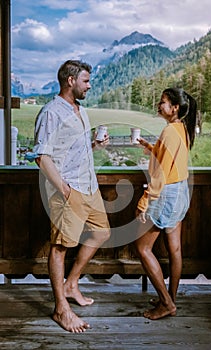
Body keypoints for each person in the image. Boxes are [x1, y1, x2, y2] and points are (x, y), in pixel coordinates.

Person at [33, 60, 110, 333]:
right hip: (69, 190)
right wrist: (64, 189)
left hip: (90, 187)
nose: (89, 86)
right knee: (60, 247)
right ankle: (61, 309)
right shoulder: (51, 112)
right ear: (70, 81)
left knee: (102, 232)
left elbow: (71, 149)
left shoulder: (80, 110)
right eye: (86, 81)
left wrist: (94, 145)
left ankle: (71, 283)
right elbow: (42, 156)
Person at [135, 87, 197, 320]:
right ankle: (170, 297)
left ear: (175, 108)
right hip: (180, 192)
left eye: (163, 102)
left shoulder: (170, 131)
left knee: (142, 248)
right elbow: (169, 158)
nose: (159, 106)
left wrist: (145, 200)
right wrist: (150, 147)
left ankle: (166, 304)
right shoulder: (182, 128)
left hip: (167, 194)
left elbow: (161, 172)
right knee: (175, 249)